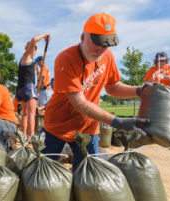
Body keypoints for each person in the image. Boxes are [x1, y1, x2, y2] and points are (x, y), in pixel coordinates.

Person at [41, 13, 150, 171]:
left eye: (106, 45)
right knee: (43, 170)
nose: (101, 50)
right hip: (57, 126)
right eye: (97, 43)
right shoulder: (65, 59)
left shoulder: (107, 57)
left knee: (87, 174)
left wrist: (140, 91)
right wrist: (118, 122)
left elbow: (113, 87)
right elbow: (79, 103)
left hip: (88, 127)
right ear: (83, 37)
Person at [15, 34, 51, 140]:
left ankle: (24, 136)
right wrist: (45, 36)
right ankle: (31, 137)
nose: (35, 52)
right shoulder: (27, 55)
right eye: (35, 49)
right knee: (31, 114)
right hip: (27, 87)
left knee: (25, 114)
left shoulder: (24, 59)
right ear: (32, 48)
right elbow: (34, 39)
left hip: (21, 88)